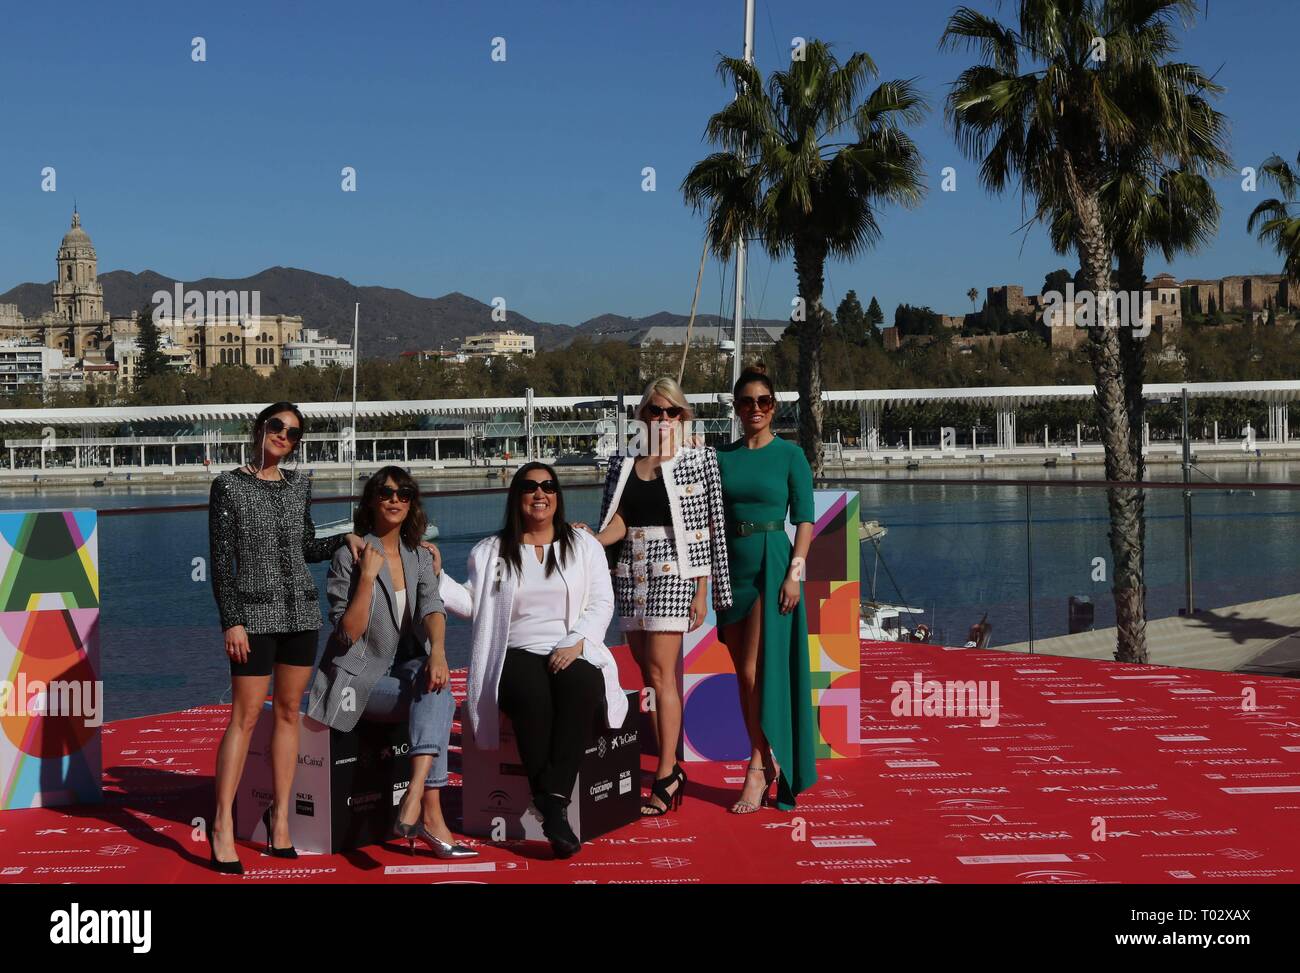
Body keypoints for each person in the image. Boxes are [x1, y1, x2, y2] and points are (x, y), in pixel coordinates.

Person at [207, 402, 366, 874]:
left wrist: (345, 540)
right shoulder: (227, 486)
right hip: (252, 618)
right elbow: (220, 561)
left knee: (289, 713)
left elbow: (306, 547)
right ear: (260, 429)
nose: (283, 436)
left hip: (301, 613)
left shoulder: (300, 485)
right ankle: (220, 824)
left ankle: (280, 821)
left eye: (293, 433)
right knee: (246, 716)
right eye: (277, 426)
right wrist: (230, 620)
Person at [438, 463, 626, 858]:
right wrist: (436, 576)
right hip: (515, 651)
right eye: (530, 487)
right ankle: (553, 804)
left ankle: (548, 800)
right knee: (530, 693)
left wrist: (576, 642)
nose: (540, 494)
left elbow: (602, 601)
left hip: (572, 645)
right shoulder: (490, 551)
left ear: (557, 495)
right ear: (517, 497)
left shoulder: (584, 545)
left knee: (582, 684)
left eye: (548, 486)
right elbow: (474, 604)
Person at [577, 377, 731, 815]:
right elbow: (620, 520)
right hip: (630, 570)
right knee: (647, 673)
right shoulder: (623, 462)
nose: (663, 418)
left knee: (663, 674)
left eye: (672, 411)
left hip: (675, 570)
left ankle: (666, 772)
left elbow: (708, 526)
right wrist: (593, 540)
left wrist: (702, 589)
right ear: (642, 416)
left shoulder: (698, 460)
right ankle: (669, 762)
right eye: (655, 411)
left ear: (684, 416)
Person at [307, 466, 475, 858]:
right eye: (385, 493)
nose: (395, 499)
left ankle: (415, 794)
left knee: (435, 678)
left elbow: (433, 607)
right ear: (371, 502)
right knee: (439, 695)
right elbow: (346, 634)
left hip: (404, 673)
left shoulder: (417, 555)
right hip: (356, 682)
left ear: (412, 502)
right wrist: (366, 578)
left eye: (404, 493)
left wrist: (437, 652)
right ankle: (430, 811)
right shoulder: (348, 556)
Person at [715, 364, 817, 812]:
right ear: (736, 409)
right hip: (729, 568)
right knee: (742, 674)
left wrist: (794, 573)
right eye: (746, 402)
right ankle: (764, 758)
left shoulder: (791, 456)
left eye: (763, 401)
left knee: (756, 670)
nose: (755, 408)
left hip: (772, 564)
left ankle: (758, 764)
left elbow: (806, 521)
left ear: (773, 407)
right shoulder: (722, 457)